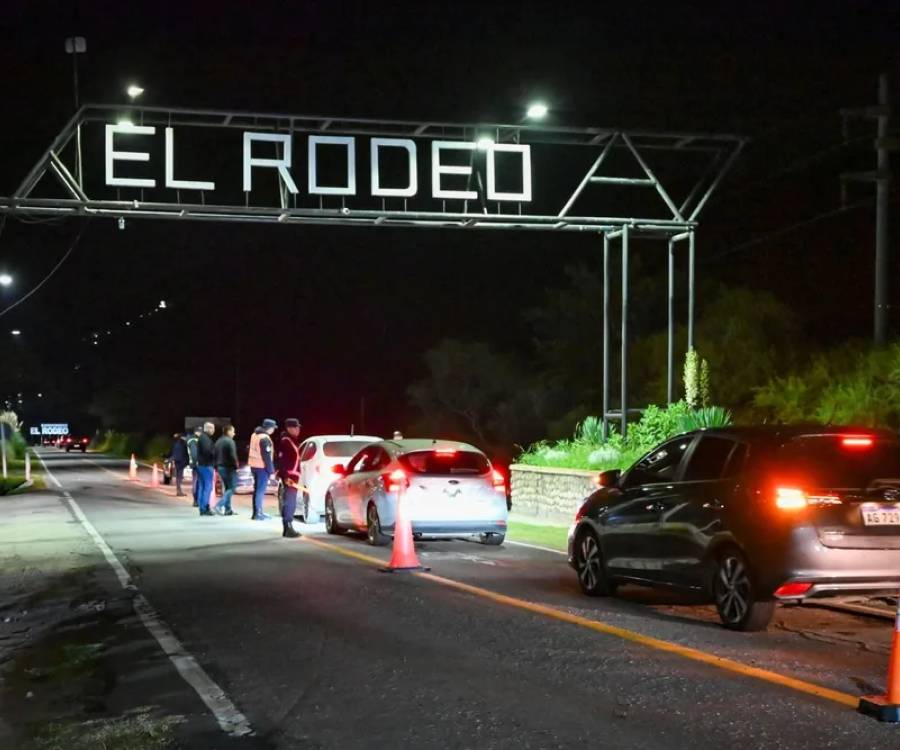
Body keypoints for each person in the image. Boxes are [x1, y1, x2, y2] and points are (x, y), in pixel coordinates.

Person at [276, 418, 303, 538]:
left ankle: (288, 527)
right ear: (289, 428)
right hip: (289, 477)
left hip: (293, 477)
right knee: (290, 502)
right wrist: (285, 476)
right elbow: (281, 461)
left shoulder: (292, 441)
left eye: (298, 427)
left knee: (291, 501)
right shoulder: (285, 442)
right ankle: (288, 528)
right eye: (296, 427)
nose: (298, 430)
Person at [248, 418, 276, 520]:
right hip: (262, 467)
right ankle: (258, 514)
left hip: (254, 466)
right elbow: (266, 456)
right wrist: (271, 471)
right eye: (273, 428)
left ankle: (256, 513)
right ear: (270, 428)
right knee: (260, 491)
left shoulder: (254, 435)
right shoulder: (265, 438)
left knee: (256, 490)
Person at [214, 424, 239, 516]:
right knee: (232, 488)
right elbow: (232, 455)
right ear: (228, 431)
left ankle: (228, 510)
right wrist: (236, 465)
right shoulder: (230, 441)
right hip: (229, 467)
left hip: (220, 467)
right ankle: (219, 505)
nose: (234, 433)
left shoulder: (218, 441)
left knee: (227, 488)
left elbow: (215, 454)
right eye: (233, 431)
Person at [196, 422, 217, 517]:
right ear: (209, 429)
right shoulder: (205, 439)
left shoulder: (202, 438)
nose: (214, 430)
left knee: (202, 486)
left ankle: (202, 507)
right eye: (213, 429)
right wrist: (215, 456)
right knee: (208, 487)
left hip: (201, 465)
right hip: (206, 465)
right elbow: (208, 452)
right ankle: (204, 508)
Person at [169, 432, 190, 497]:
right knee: (179, 476)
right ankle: (179, 491)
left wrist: (170, 457)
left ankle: (178, 490)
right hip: (181, 460)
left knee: (179, 476)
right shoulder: (184, 443)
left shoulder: (175, 443)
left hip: (177, 460)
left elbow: (171, 451)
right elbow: (186, 452)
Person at [187, 426, 202, 507]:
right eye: (200, 432)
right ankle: (196, 500)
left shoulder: (193, 439)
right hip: (196, 464)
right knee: (196, 482)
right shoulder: (193, 440)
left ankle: (197, 500)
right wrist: (197, 462)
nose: (200, 433)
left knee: (197, 482)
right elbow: (194, 453)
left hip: (195, 464)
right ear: (196, 432)